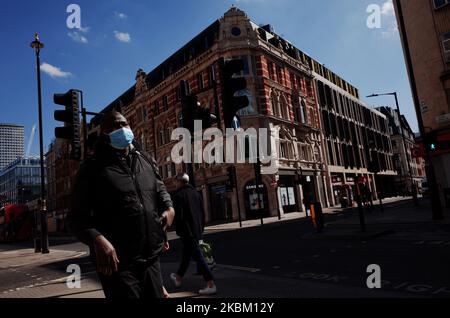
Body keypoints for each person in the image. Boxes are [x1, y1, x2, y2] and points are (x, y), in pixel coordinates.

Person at [67, 111, 175, 299]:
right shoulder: (92, 168)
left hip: (150, 257)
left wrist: (169, 207)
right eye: (114, 126)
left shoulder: (145, 160)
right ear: (104, 134)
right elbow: (76, 218)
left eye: (124, 124)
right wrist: (97, 239)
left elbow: (160, 189)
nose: (121, 129)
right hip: (118, 264)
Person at [170, 173, 217, 295]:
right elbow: (202, 213)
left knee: (198, 256)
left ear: (179, 182)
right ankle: (178, 277)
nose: (175, 184)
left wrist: (178, 230)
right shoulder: (196, 193)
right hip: (197, 230)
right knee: (187, 255)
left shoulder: (178, 195)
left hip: (187, 231)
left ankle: (211, 283)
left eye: (175, 182)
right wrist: (201, 228)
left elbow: (179, 216)